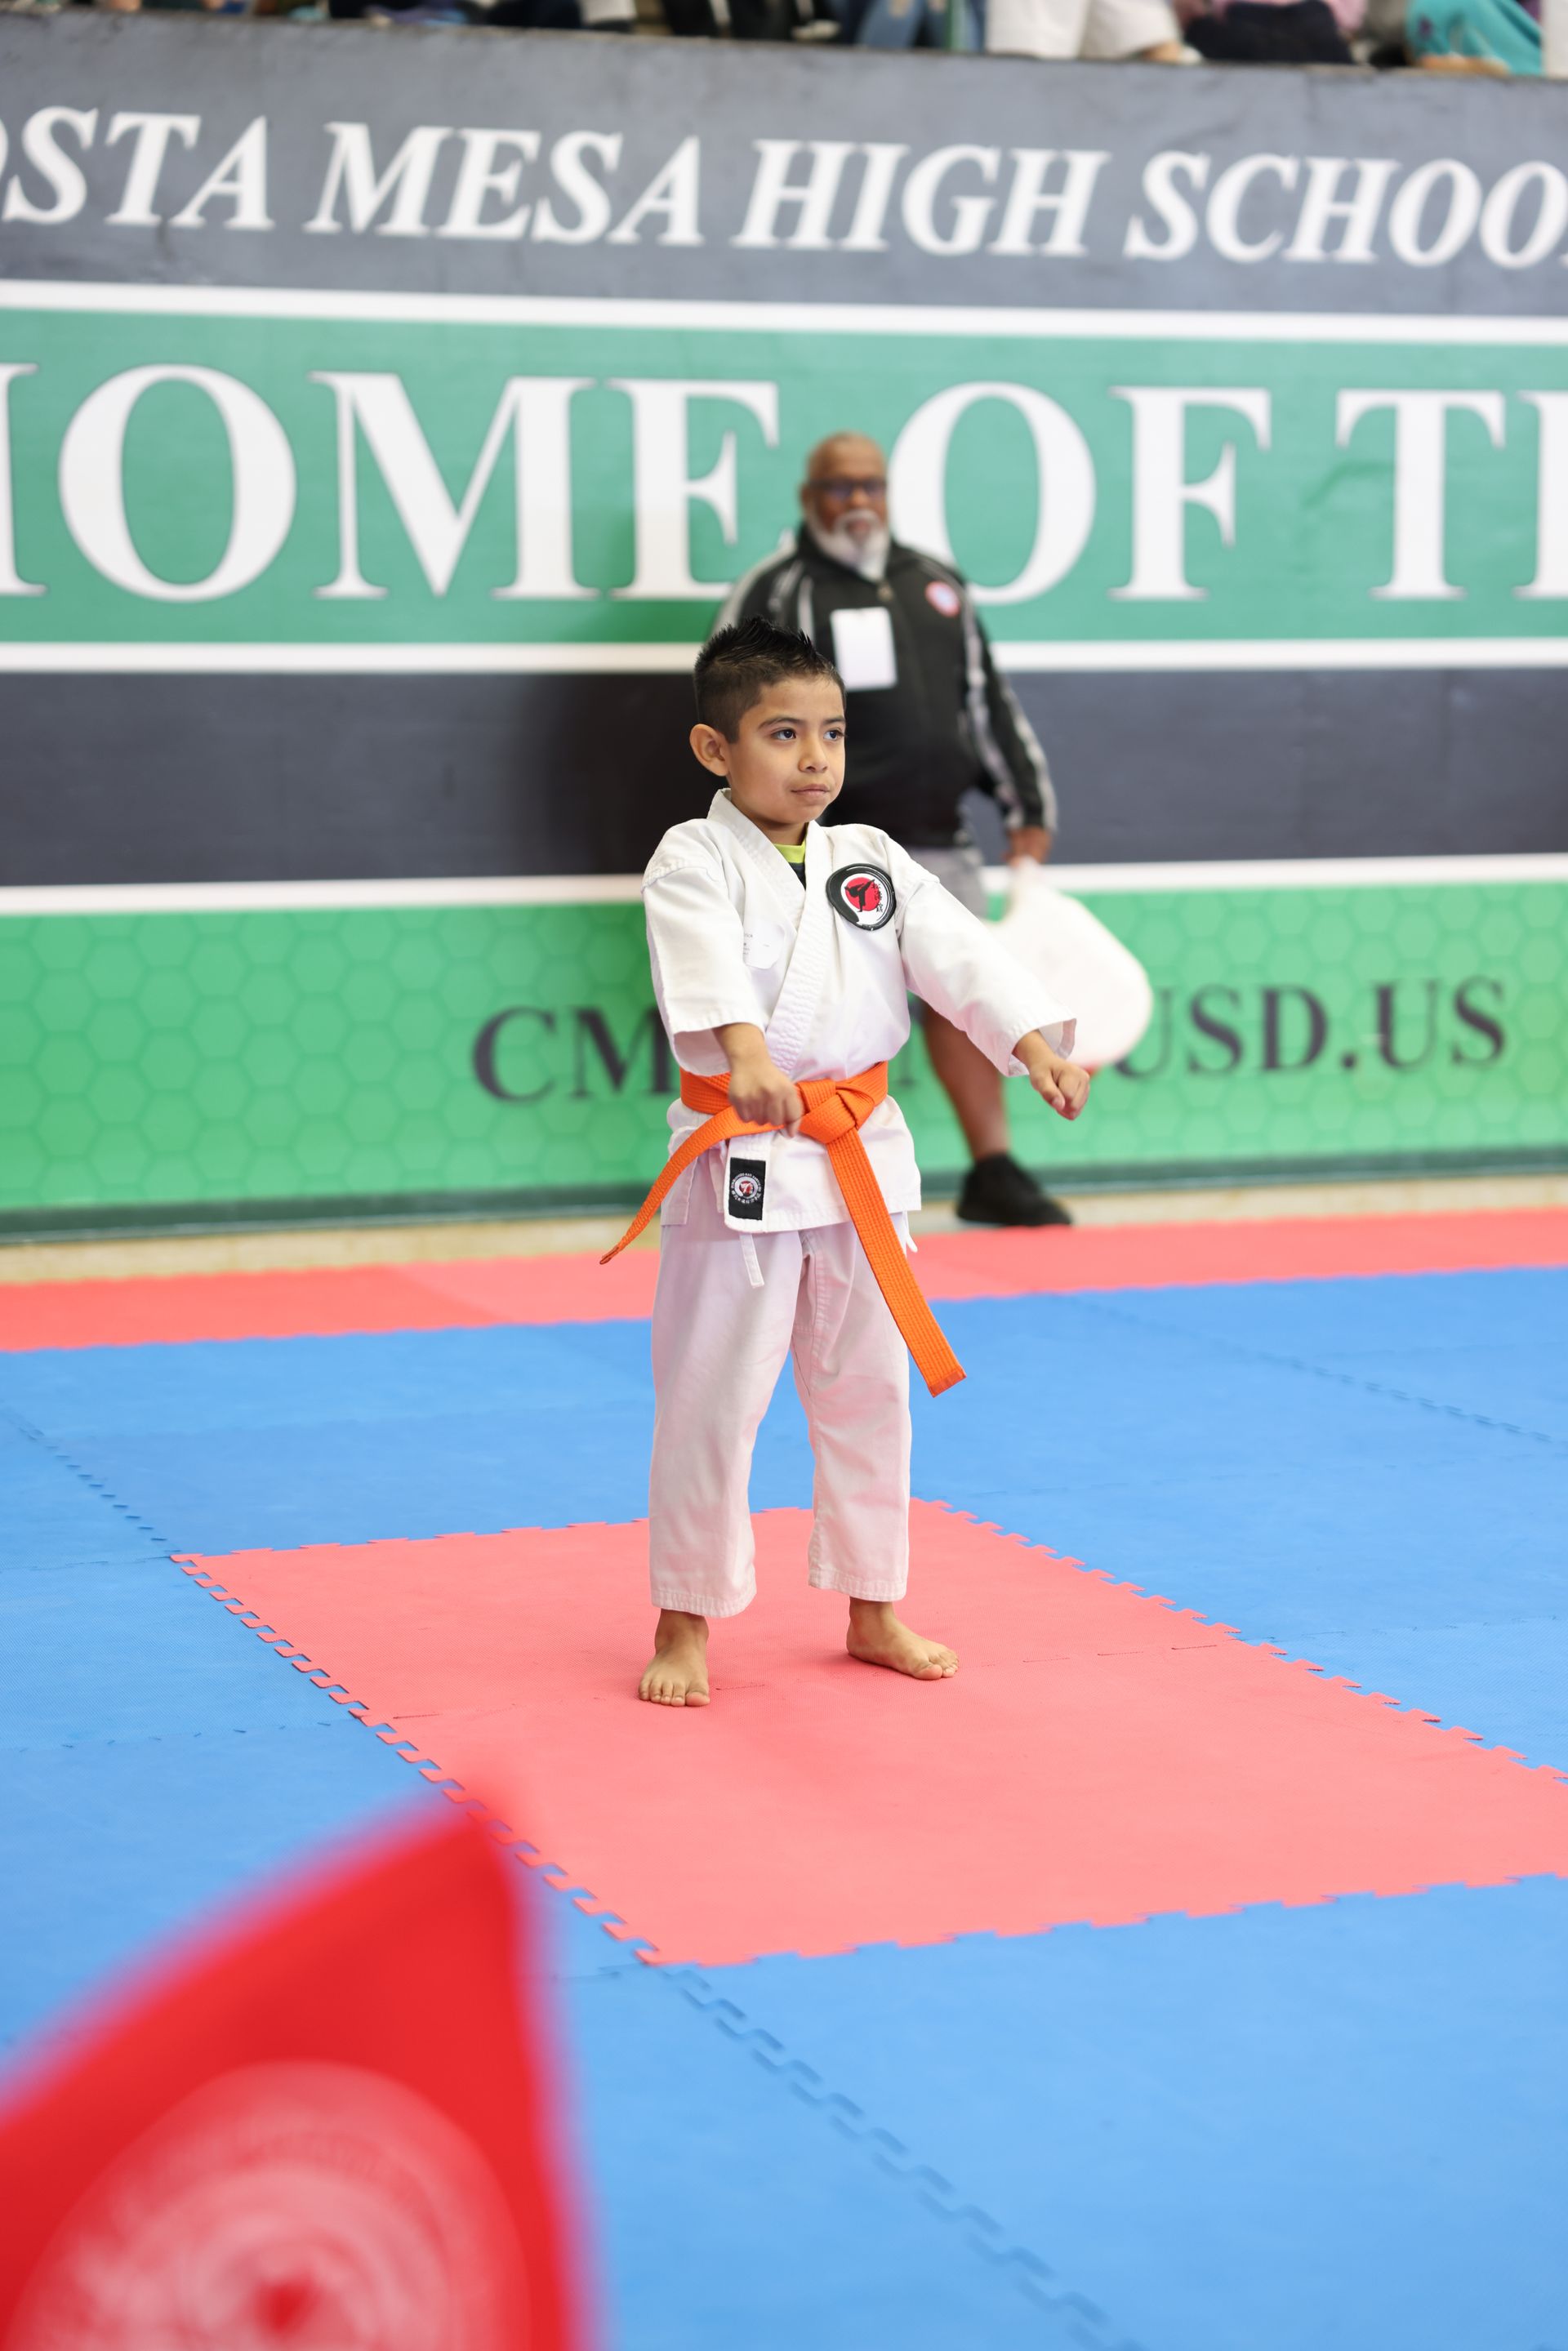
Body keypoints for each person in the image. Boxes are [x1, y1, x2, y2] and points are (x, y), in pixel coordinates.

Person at [603, 618, 1089, 1708]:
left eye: (831, 731)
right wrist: (742, 1051)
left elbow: (959, 954)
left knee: (867, 1392)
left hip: (862, 1155)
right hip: (747, 1154)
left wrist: (1034, 1044)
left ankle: (873, 1602)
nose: (817, 756)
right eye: (784, 733)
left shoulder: (869, 859)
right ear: (715, 750)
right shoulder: (693, 856)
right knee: (712, 1396)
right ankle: (685, 1616)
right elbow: (702, 957)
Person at [717, 433, 1074, 1229]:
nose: (858, 500)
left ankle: (993, 1166)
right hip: (816, 844)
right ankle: (792, 1178)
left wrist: (1027, 803)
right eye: (840, 487)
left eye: (871, 484)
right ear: (810, 497)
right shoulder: (777, 590)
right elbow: (727, 716)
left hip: (934, 832)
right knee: (808, 1007)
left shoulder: (938, 585)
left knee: (962, 988)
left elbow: (986, 703)